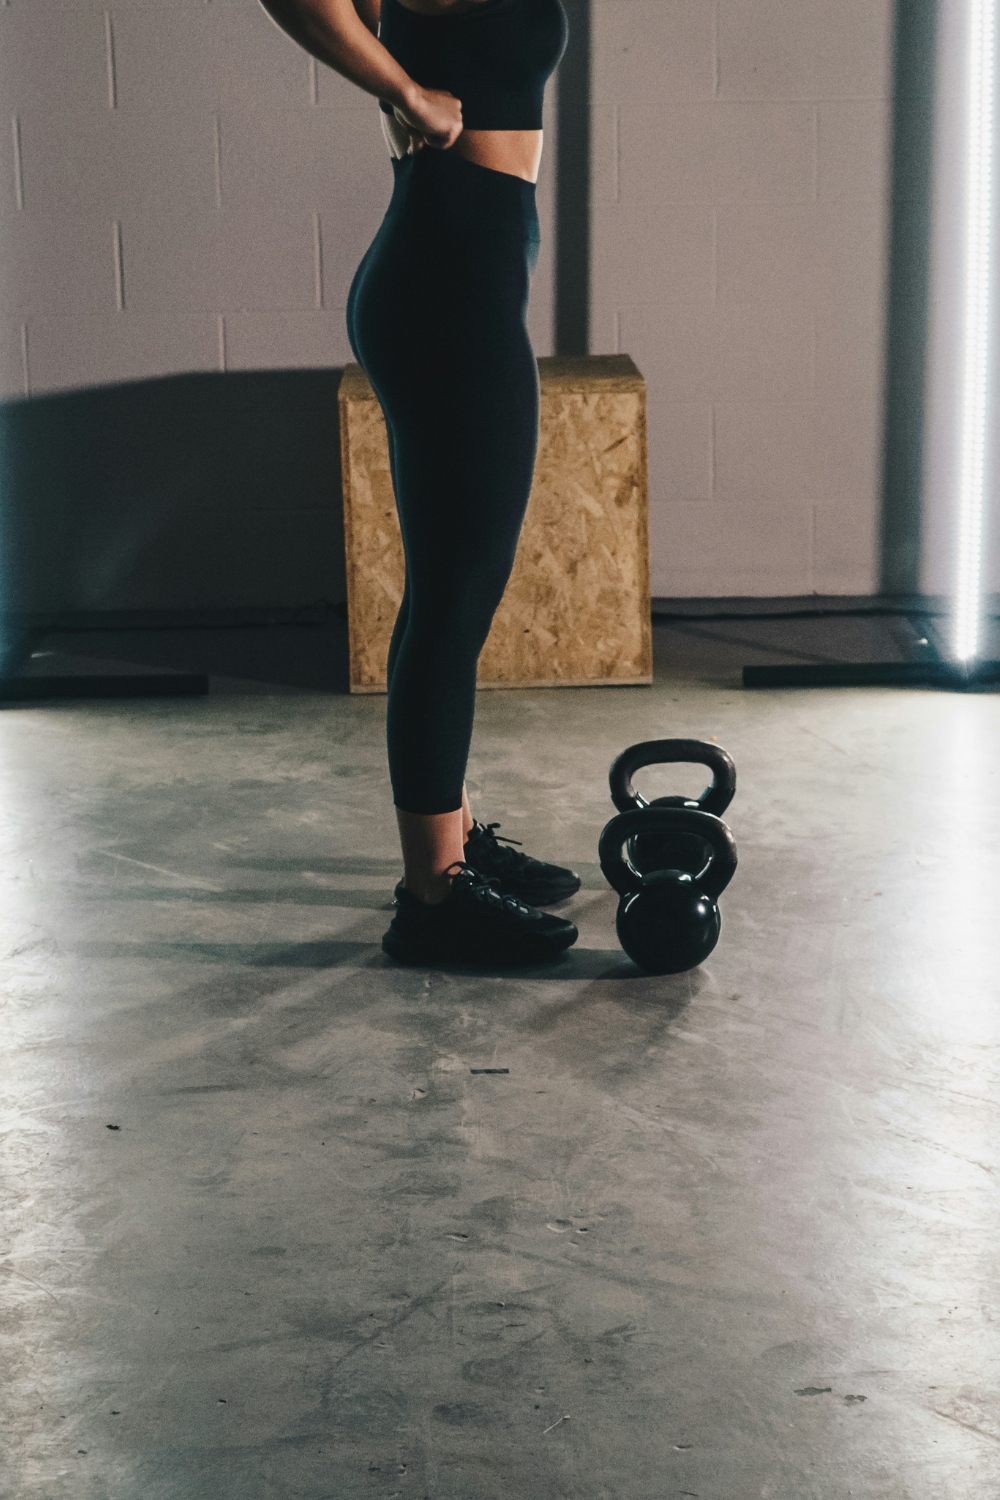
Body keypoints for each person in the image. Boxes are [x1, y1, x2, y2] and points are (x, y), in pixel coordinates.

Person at [259, 0, 581, 965]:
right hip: (448, 287)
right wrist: (400, 89)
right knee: (453, 597)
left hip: (460, 271)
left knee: (453, 588)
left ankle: (451, 844)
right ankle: (434, 897)